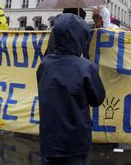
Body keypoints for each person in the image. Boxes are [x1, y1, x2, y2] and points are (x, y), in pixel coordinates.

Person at [37, 13, 106, 165]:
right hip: (75, 141)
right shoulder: (86, 67)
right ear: (81, 37)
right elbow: (97, 99)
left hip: (49, 140)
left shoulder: (45, 64)